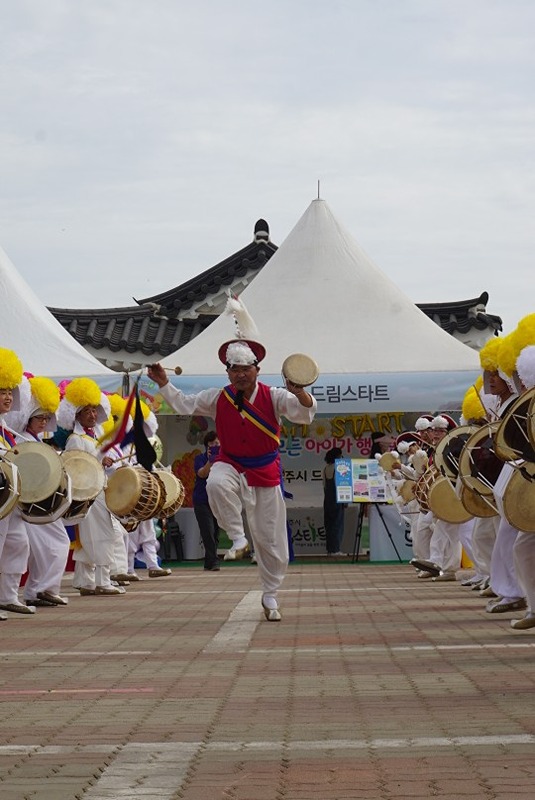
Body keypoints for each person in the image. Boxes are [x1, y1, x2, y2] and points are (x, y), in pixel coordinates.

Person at [148, 334, 316, 622]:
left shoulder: (274, 396)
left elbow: (304, 414)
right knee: (214, 482)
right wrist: (163, 383)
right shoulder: (217, 397)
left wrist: (299, 392)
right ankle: (237, 538)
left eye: (245, 370)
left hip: (264, 468)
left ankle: (271, 592)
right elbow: (184, 404)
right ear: (228, 372)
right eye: (234, 370)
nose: (240, 375)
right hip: (231, 461)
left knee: (270, 538)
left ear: (256, 370)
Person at [6, 375, 70, 608]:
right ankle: (34, 590)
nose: (44, 422)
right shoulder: (21, 440)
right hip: (21, 502)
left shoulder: (20, 438)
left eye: (47, 417)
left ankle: (31, 591)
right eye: (39, 417)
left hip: (30, 501)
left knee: (22, 546)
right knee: (20, 546)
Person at [0, 347, 32, 616]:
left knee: (18, 543)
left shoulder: (7, 430)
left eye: (10, 391)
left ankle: (8, 595)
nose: (8, 397)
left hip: (10, 502)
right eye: (2, 392)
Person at [193, 430, 221, 571]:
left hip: (217, 500)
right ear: (206, 446)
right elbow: (202, 474)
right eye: (211, 443)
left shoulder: (224, 460)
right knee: (207, 531)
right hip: (202, 500)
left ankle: (209, 562)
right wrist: (211, 461)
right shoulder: (199, 458)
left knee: (215, 532)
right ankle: (214, 561)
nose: (214, 445)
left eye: (217, 443)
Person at [323, 446, 345, 556]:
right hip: (337, 499)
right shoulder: (339, 467)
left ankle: (330, 549)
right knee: (337, 525)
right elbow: (341, 485)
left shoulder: (326, 468)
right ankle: (335, 549)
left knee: (329, 525)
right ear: (338, 456)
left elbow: (324, 486)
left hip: (327, 500)